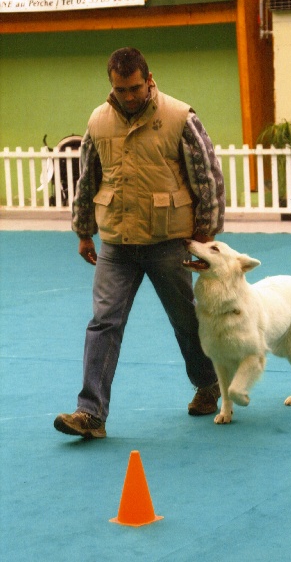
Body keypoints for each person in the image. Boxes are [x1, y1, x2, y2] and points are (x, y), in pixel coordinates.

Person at [54, 47, 225, 439]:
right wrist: (83, 230)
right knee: (103, 323)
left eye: (134, 88)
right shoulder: (98, 121)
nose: (128, 96)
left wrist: (206, 234)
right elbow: (87, 179)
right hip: (115, 241)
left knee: (186, 322)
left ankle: (208, 383)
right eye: (120, 89)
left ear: (149, 80)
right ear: (111, 85)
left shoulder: (181, 117)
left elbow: (207, 177)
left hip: (169, 240)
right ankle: (90, 413)